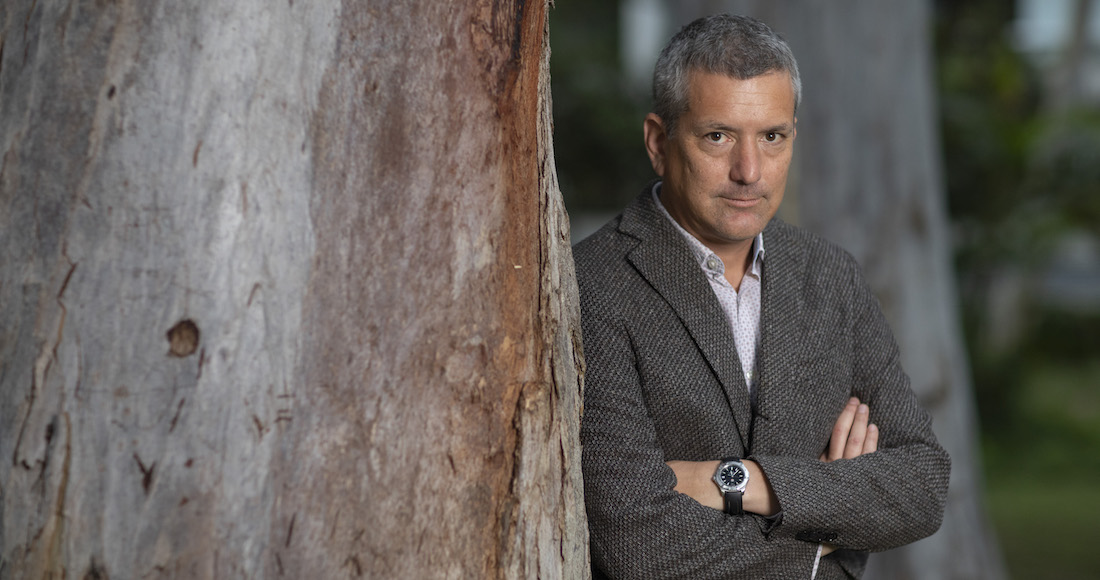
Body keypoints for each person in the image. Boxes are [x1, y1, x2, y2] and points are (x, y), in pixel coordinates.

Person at [572, 14, 951, 579]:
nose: (749, 171)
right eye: (718, 137)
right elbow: (634, 540)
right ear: (658, 142)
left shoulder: (831, 276)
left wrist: (742, 482)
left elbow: (922, 484)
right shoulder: (593, 284)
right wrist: (824, 532)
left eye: (772, 137)